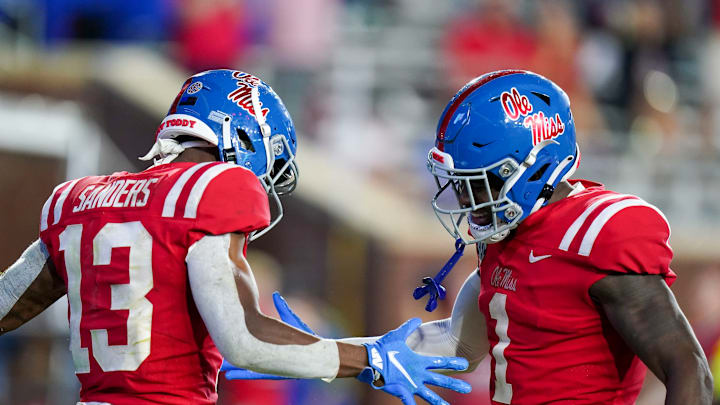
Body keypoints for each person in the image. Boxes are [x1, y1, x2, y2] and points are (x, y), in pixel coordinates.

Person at [228, 70, 714, 403]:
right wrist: (325, 354)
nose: (465, 202)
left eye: (476, 184)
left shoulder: (599, 233)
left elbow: (688, 367)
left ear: (529, 166)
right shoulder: (510, 236)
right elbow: (458, 347)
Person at [0, 69, 472, 405]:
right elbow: (243, 339)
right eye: (268, 171)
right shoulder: (216, 187)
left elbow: (7, 304)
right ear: (243, 138)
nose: (263, 186)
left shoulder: (79, 198)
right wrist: (368, 358)